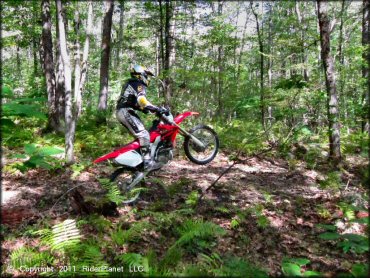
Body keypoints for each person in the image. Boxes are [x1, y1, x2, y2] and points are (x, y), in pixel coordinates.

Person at [116, 64, 167, 171]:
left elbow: (133, 101)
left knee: (141, 137)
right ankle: (148, 162)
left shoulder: (132, 83)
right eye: (146, 75)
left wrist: (145, 109)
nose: (147, 78)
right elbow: (141, 100)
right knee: (144, 134)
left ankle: (139, 160)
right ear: (140, 75)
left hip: (124, 111)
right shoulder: (137, 84)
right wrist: (156, 108)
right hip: (125, 111)